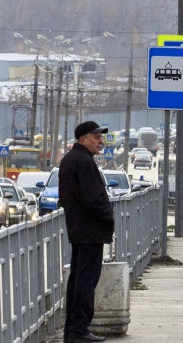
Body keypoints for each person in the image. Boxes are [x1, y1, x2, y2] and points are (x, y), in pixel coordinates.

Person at [58, 120, 114, 343]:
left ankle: (72, 330)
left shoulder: (72, 159)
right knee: (86, 281)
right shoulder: (83, 161)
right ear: (83, 139)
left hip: (79, 229)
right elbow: (92, 199)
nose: (101, 141)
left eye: (101, 137)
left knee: (78, 279)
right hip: (90, 229)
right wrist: (107, 216)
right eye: (96, 137)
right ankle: (79, 330)